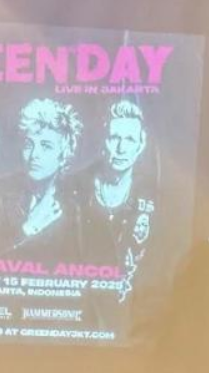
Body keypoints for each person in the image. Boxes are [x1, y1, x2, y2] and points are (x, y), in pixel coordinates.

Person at [78, 100, 157, 303]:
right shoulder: (75, 189)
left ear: (141, 144)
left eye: (130, 139)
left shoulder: (154, 195)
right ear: (103, 141)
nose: (121, 148)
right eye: (114, 138)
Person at [0, 98, 83, 258]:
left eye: (46, 146)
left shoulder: (75, 206)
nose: (34, 155)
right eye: (29, 145)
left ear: (63, 155)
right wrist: (28, 228)